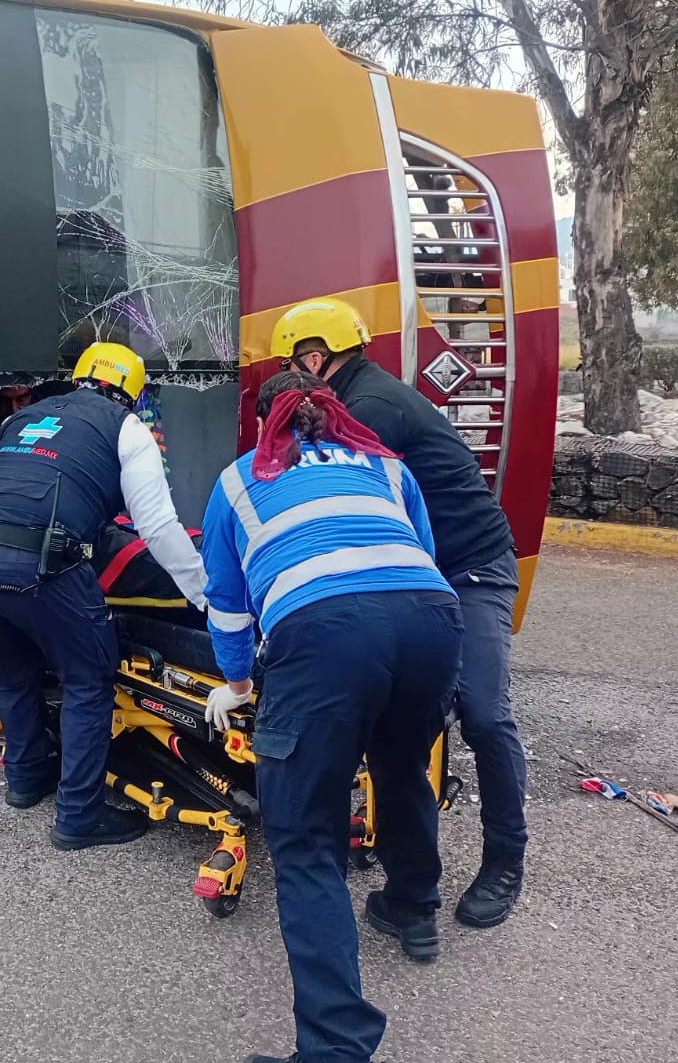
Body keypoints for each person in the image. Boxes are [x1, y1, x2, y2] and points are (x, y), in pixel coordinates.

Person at [200, 370, 461, 1063]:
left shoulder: (239, 480)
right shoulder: (385, 465)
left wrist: (237, 683)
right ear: (332, 414)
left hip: (322, 632)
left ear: (265, 421)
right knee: (401, 767)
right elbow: (420, 555)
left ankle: (334, 1048)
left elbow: (227, 603)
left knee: (306, 837)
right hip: (430, 620)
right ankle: (412, 907)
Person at [267, 296, 528, 927]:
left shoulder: (368, 409)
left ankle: (506, 860)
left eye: (289, 368)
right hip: (417, 573)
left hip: (468, 569)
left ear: (314, 359)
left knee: (484, 714)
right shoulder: (361, 397)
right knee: (402, 722)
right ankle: (403, 866)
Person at [0, 342, 207, 849]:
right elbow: (157, 527)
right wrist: (203, 594)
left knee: (12, 673)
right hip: (40, 558)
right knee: (88, 680)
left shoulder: (20, 420)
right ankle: (79, 817)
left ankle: (26, 779)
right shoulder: (127, 428)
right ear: (132, 394)